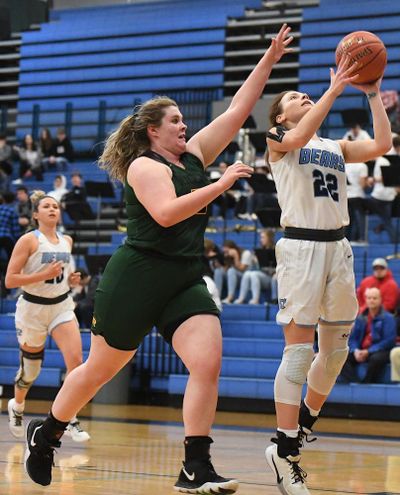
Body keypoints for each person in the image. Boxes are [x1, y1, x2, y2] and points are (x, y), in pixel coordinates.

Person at [23, 24, 293, 492]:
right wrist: (221, 183)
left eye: (184, 120)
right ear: (153, 130)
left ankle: (195, 465)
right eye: (175, 121)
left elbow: (237, 109)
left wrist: (269, 58)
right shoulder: (144, 166)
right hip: (138, 275)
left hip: (184, 277)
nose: (184, 125)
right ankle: (47, 434)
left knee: (207, 362)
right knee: (99, 371)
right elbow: (166, 215)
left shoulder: (193, 155)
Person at [263, 58, 392, 494]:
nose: (304, 97)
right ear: (280, 115)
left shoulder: (335, 145)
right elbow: (300, 135)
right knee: (298, 355)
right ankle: (283, 452)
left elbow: (381, 144)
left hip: (338, 248)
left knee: (335, 353)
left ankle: (299, 429)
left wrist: (372, 93)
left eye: (306, 94)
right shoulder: (279, 138)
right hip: (301, 248)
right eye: (294, 98)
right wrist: (335, 88)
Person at [5, 191, 90, 443]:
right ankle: (17, 405)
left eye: (55, 206)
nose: (53, 209)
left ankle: (70, 417)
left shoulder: (67, 240)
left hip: (61, 306)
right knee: (31, 371)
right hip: (32, 309)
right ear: (35, 214)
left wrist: (72, 280)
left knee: (76, 362)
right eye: (46, 206)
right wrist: (42, 276)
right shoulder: (28, 241)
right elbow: (10, 280)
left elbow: (63, 275)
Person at [339, 287, 396, 383]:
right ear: (365, 299)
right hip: (361, 350)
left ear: (380, 299)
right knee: (340, 357)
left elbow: (389, 341)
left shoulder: (388, 318)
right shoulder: (361, 317)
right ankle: (355, 383)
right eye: (369, 298)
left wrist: (369, 351)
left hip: (381, 350)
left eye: (374, 298)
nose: (371, 300)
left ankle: (366, 383)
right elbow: (353, 339)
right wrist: (356, 350)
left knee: (376, 359)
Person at [234, 229, 278, 304]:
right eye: (261, 237)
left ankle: (255, 299)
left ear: (269, 238)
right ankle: (241, 298)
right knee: (247, 273)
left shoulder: (276, 249)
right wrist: (256, 261)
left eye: (263, 237)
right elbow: (259, 268)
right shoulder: (260, 250)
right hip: (264, 275)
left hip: (272, 277)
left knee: (254, 274)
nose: (261, 240)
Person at [213, 239, 258, 303]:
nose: (226, 253)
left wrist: (236, 256)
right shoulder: (226, 255)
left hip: (244, 279)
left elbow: (242, 269)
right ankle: (216, 297)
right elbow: (225, 270)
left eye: (227, 251)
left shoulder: (246, 253)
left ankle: (230, 297)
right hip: (231, 278)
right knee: (218, 271)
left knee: (231, 270)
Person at [0, 191, 20, 297]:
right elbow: (15, 229)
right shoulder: (12, 211)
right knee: (11, 262)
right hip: (7, 238)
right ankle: (8, 285)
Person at [345, 160, 368, 242]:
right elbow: (362, 184)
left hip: (346, 195)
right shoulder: (362, 165)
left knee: (348, 220)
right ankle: (362, 238)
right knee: (360, 218)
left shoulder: (345, 164)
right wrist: (368, 183)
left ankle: (347, 239)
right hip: (357, 194)